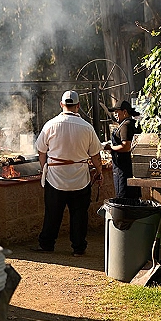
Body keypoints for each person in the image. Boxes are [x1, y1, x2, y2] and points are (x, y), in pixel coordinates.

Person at [35, 90, 103, 256]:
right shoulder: (87, 127)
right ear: (78, 106)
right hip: (80, 179)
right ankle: (79, 248)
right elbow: (96, 156)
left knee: (52, 213)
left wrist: (45, 168)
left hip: (55, 178)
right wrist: (99, 172)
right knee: (79, 215)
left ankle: (47, 244)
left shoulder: (50, 125)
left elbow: (41, 151)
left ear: (61, 104)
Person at [103, 100, 141, 202]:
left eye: (117, 111)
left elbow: (126, 147)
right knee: (132, 199)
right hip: (130, 168)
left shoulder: (126, 125)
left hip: (123, 170)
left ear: (125, 112)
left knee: (124, 200)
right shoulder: (132, 123)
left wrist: (109, 147)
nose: (115, 114)